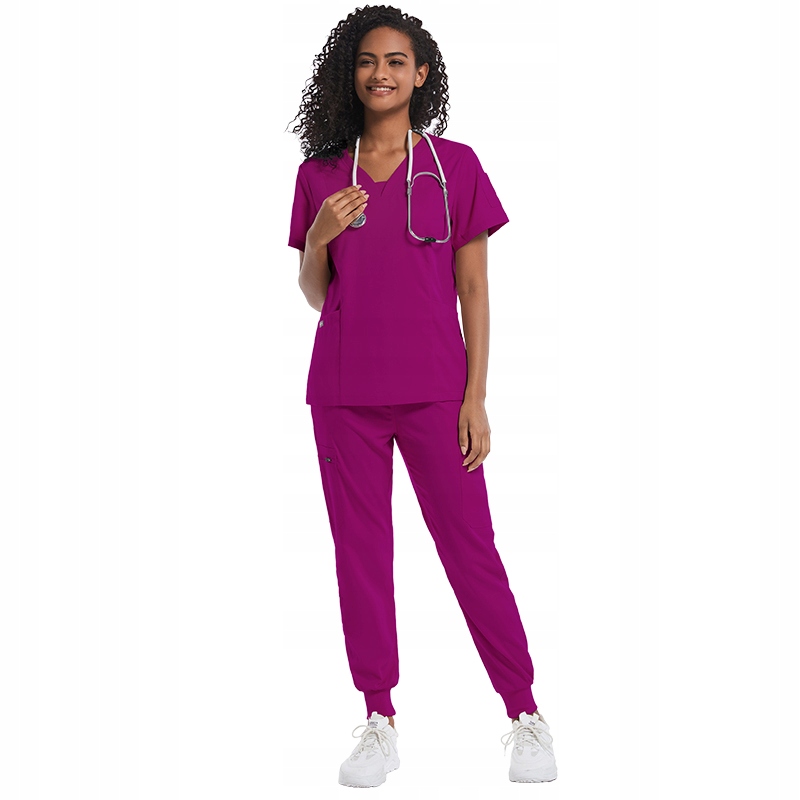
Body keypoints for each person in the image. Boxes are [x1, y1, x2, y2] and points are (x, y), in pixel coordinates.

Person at [287, 4, 557, 788]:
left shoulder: (455, 166)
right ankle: (379, 717)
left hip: (438, 392)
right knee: (361, 556)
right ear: (351, 73)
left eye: (396, 61)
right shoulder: (321, 175)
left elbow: (474, 288)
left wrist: (476, 396)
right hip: (345, 392)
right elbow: (317, 294)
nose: (381, 73)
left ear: (421, 73)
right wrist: (319, 237)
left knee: (472, 550)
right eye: (368, 61)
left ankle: (524, 711)